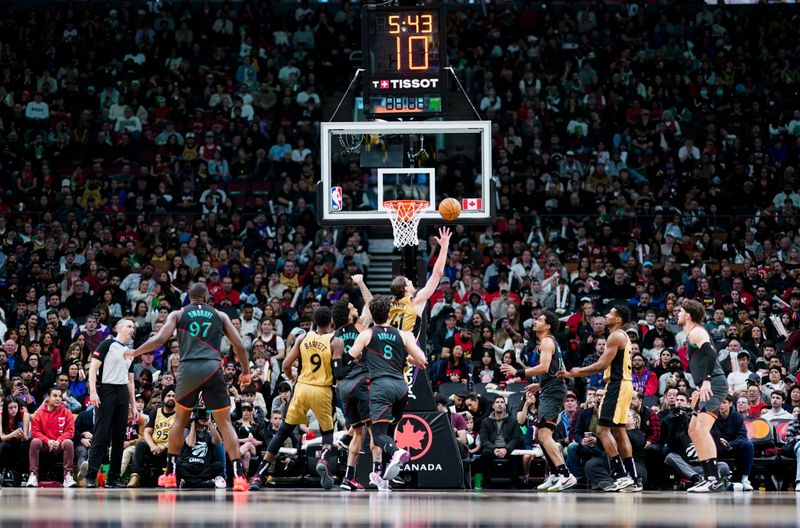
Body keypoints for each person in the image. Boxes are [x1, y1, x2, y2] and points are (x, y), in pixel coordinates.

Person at [124, 283, 252, 492]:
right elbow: (239, 344)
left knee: (180, 420)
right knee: (225, 423)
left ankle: (171, 474)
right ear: (207, 297)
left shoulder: (178, 314)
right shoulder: (220, 315)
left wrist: (135, 352)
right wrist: (245, 372)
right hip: (212, 368)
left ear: (188, 298)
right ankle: (239, 477)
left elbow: (159, 338)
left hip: (189, 369)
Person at [249, 306, 344, 491]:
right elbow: (339, 373)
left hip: (301, 388)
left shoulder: (302, 338)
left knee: (283, 431)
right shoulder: (335, 342)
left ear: (315, 321)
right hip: (322, 390)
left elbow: (285, 364)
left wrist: (292, 378)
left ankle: (258, 475)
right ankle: (324, 458)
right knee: (327, 432)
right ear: (331, 322)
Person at [347, 296, 429, 491]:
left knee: (378, 436)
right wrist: (409, 360)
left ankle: (397, 452)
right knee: (389, 431)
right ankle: (383, 478)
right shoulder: (403, 335)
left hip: (381, 388)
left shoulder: (367, 334)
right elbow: (423, 361)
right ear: (390, 314)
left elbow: (351, 357)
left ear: (372, 315)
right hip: (401, 388)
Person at [561, 305, 640, 492]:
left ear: (618, 319)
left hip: (617, 385)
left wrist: (577, 372)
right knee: (620, 432)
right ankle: (634, 478)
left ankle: (620, 475)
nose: (606, 315)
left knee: (602, 430)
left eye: (610, 313)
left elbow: (601, 364)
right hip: (624, 384)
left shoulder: (616, 335)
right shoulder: (623, 336)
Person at [500, 310, 576, 491]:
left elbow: (544, 367)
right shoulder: (549, 343)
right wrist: (540, 386)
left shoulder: (547, 341)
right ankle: (555, 475)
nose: (535, 321)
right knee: (540, 436)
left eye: (540, 320)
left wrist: (517, 372)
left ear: (548, 326)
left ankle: (565, 474)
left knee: (543, 435)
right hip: (550, 390)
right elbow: (558, 371)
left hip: (553, 393)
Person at [678, 298, 730, 493]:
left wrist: (706, 380)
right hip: (705, 386)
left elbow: (709, 352)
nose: (678, 314)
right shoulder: (691, 334)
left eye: (681, 311)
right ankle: (708, 476)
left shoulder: (697, 331)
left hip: (714, 383)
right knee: (693, 429)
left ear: (689, 315)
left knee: (701, 429)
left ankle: (713, 478)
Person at [85, 318, 138, 488]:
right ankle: (90, 476)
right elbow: (93, 369)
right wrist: (93, 392)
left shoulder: (130, 351)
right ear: (119, 328)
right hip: (106, 390)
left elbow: (130, 381)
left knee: (119, 437)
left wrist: (133, 404)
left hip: (122, 392)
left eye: (133, 327)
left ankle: (113, 478)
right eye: (129, 326)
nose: (132, 329)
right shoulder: (107, 344)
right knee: (101, 435)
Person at [331, 287, 373, 492]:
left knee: (358, 431)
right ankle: (380, 476)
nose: (355, 307)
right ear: (349, 315)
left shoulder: (335, 336)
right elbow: (371, 305)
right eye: (352, 307)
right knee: (374, 430)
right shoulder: (360, 325)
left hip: (344, 388)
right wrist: (362, 283)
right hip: (362, 381)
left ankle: (348, 478)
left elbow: (335, 370)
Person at [388, 227, 451, 336]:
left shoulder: (389, 304)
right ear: (405, 289)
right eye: (408, 282)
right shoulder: (415, 301)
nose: (412, 282)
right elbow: (437, 274)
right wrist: (444, 246)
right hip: (406, 351)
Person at [27, 387, 76, 488]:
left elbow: (70, 432)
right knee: (35, 441)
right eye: (55, 396)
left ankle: (68, 476)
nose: (58, 398)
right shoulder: (39, 414)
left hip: (59, 447)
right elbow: (35, 432)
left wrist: (58, 441)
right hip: (45, 447)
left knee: (68, 442)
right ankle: (33, 476)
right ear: (48, 398)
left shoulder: (67, 413)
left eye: (60, 396)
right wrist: (47, 440)